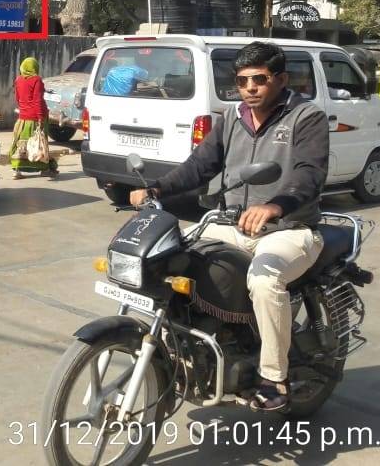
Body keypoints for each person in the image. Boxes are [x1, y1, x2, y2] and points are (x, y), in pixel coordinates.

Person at [130, 42, 328, 412]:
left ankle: (274, 377)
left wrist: (275, 205)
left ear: (280, 79)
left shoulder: (305, 117)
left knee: (265, 282)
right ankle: (194, 341)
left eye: (259, 79)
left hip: (290, 229)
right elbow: (199, 167)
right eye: (242, 81)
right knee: (172, 254)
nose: (250, 88)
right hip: (233, 223)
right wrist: (156, 189)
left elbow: (309, 173)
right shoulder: (232, 118)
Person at [9, 57, 55, 178]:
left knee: (21, 145)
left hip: (23, 119)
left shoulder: (18, 80)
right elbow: (38, 100)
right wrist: (40, 117)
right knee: (39, 144)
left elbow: (18, 99)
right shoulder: (37, 80)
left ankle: (17, 170)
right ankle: (44, 170)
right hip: (36, 118)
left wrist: (24, 109)